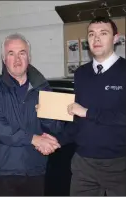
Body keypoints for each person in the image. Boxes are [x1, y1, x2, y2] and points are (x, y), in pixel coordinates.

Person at [0, 33, 63, 196]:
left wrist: (46, 118)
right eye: (11, 53)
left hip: (35, 170)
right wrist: (34, 139)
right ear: (4, 59)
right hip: (3, 172)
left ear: (29, 57)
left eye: (22, 53)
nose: (17, 59)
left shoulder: (43, 87)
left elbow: (57, 127)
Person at [64, 16, 126, 196]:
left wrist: (88, 112)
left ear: (116, 38)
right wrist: (55, 139)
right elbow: (76, 120)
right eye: (91, 34)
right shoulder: (81, 74)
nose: (96, 39)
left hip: (119, 165)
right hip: (83, 165)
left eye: (103, 33)